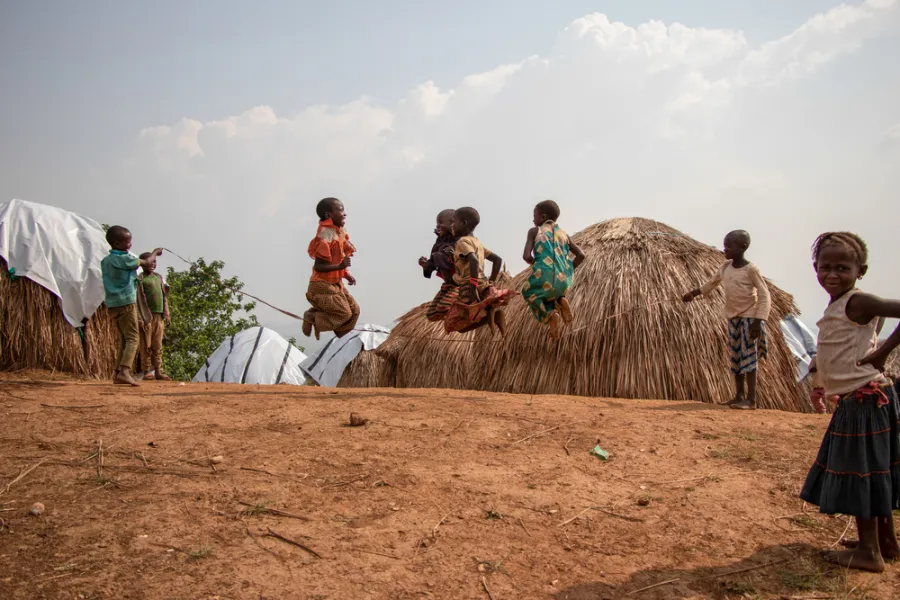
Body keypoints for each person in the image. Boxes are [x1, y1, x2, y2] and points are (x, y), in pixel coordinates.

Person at [800, 231, 900, 573]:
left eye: (842, 267)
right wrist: (820, 373)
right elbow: (842, 343)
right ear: (815, 267)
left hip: (864, 400)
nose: (832, 274)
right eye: (825, 267)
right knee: (874, 470)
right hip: (859, 399)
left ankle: (869, 553)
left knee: (862, 474)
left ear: (862, 270)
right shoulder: (841, 303)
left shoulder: (859, 302)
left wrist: (883, 352)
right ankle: (886, 543)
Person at [683, 230, 771, 410]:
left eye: (729, 246)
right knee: (736, 356)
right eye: (725, 246)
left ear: (743, 247)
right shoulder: (725, 267)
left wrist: (758, 320)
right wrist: (693, 293)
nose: (725, 249)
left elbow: (764, 294)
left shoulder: (751, 270)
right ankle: (738, 395)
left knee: (748, 357)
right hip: (733, 317)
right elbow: (712, 283)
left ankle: (751, 399)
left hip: (749, 316)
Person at [101, 226, 162, 386]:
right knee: (133, 337)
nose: (130, 245)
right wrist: (155, 252)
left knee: (123, 337)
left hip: (113, 303)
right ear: (117, 243)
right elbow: (147, 262)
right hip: (126, 302)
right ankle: (125, 371)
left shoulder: (106, 261)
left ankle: (117, 373)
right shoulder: (124, 259)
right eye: (127, 242)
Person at [443, 207, 517, 335]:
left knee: (453, 323)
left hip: (468, 286)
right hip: (483, 284)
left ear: (463, 223)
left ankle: (490, 319)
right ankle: (494, 316)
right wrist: (491, 282)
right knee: (481, 309)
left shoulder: (462, 241)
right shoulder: (477, 243)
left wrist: (472, 286)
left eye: (453, 222)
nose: (451, 226)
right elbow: (497, 260)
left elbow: (474, 260)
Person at [521, 200, 585, 338]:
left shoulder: (535, 231)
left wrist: (535, 264)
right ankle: (560, 299)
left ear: (543, 217)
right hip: (565, 280)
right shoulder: (564, 235)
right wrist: (568, 270)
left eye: (534, 215)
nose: (533, 219)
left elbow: (526, 256)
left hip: (544, 274)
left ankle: (550, 315)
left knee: (528, 292)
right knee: (552, 291)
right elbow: (581, 255)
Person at [303, 197, 359, 339]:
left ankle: (342, 339)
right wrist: (340, 266)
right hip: (321, 285)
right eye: (340, 210)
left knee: (355, 311)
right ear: (329, 215)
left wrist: (346, 274)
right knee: (344, 313)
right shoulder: (325, 237)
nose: (344, 213)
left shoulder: (339, 233)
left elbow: (338, 256)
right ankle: (313, 317)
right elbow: (319, 266)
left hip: (335, 283)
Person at [418, 209, 459, 322]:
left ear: (452, 223)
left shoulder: (461, 240)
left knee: (443, 308)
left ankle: (464, 311)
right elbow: (433, 262)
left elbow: (470, 260)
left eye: (441, 222)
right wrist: (425, 265)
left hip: (460, 283)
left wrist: (454, 255)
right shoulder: (440, 242)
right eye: (437, 223)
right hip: (447, 286)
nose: (438, 226)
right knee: (431, 315)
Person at [136, 251, 171, 381]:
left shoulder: (159, 278)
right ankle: (146, 370)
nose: (152, 264)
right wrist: (140, 318)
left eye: (154, 262)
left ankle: (158, 370)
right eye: (150, 262)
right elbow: (138, 300)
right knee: (145, 344)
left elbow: (164, 298)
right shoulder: (140, 279)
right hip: (146, 317)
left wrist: (166, 314)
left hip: (159, 316)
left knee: (157, 345)